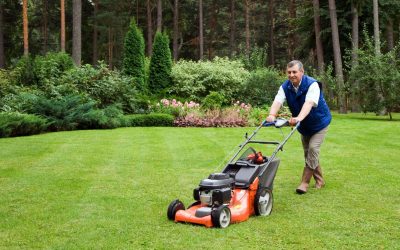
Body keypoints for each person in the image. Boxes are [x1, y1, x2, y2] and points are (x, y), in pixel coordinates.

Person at [266, 60, 331, 194]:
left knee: (313, 148)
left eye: (294, 72)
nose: (291, 75)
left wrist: (298, 118)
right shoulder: (285, 86)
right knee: (309, 153)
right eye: (289, 72)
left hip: (319, 123)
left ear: (302, 72)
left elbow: (308, 103)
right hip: (304, 125)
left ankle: (304, 183)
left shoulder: (312, 84)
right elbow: (278, 100)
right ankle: (320, 180)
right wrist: (272, 114)